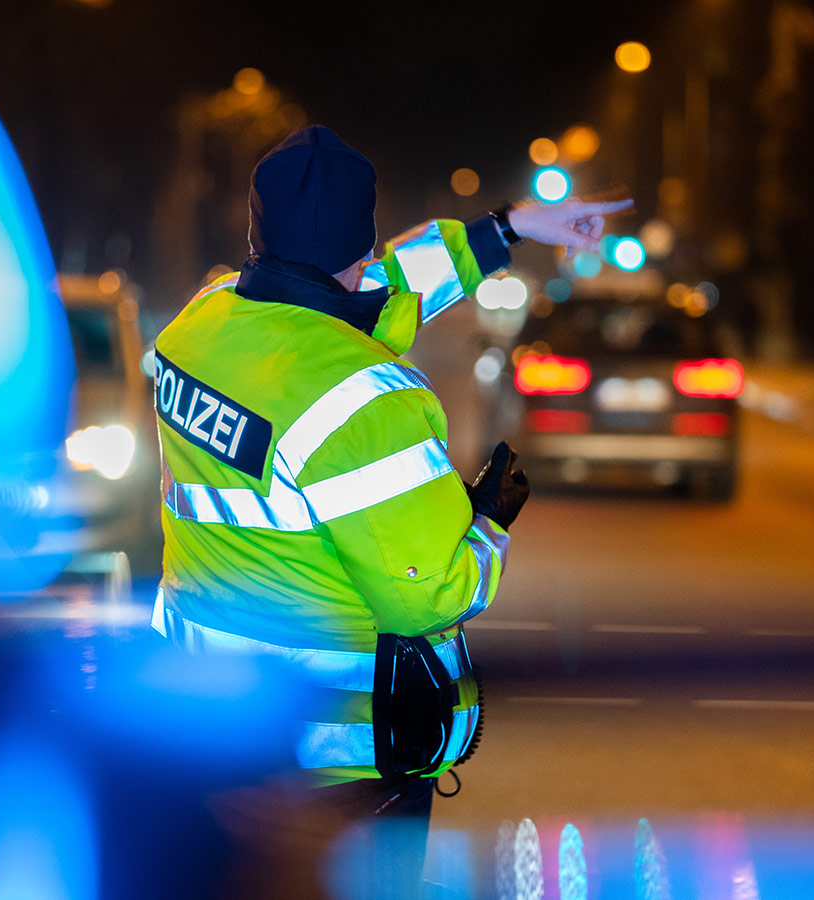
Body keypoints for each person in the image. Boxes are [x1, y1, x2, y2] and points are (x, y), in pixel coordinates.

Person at [150, 125, 631, 895]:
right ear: (362, 244)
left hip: (204, 725)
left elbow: (383, 284)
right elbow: (430, 592)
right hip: (336, 760)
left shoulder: (199, 327)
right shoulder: (366, 402)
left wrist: (507, 229)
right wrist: (488, 520)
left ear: (255, 230)